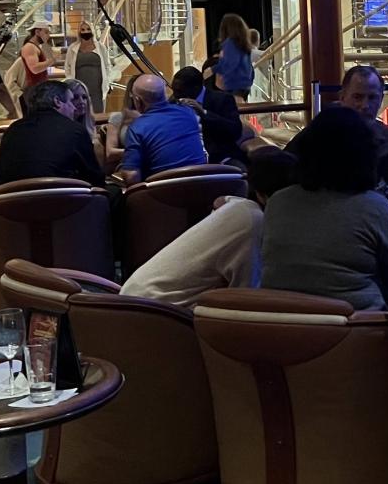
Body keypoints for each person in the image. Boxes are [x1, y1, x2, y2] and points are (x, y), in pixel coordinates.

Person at [121, 147, 298, 307]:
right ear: (263, 195)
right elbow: (247, 298)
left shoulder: (240, 209)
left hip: (141, 297)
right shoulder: (253, 222)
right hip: (153, 309)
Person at [261, 106, 388, 310]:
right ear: (366, 156)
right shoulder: (374, 207)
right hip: (357, 322)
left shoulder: (277, 202)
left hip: (280, 321)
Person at [287, 65, 388, 202]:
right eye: (357, 97)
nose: (365, 105)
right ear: (342, 97)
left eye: (372, 97)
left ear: (381, 99)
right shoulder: (319, 134)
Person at [0, 79, 105, 186]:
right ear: (57, 101)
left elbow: (1, 177)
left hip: (10, 196)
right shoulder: (75, 130)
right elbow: (95, 178)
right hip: (62, 196)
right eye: (71, 101)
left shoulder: (12, 130)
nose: (74, 108)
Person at [116, 73, 206, 184]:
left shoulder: (137, 128)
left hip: (163, 190)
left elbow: (132, 176)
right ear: (165, 94)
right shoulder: (189, 113)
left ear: (137, 100)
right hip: (201, 185)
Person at [171, 66, 244, 164]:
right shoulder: (173, 102)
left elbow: (235, 131)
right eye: (174, 90)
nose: (175, 95)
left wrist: (204, 113)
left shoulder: (222, 100)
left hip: (220, 156)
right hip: (185, 156)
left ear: (196, 88)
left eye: (179, 91)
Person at [64, 25, 108, 115]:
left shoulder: (101, 47)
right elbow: (67, 67)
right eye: (83, 29)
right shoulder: (72, 48)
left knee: (98, 112)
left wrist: (108, 80)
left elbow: (107, 66)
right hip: (79, 86)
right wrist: (70, 81)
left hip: (97, 88)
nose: (85, 32)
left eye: (88, 29)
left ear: (92, 30)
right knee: (80, 110)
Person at [212, 13, 255, 95]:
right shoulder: (243, 45)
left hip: (234, 85)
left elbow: (230, 64)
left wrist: (212, 70)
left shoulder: (230, 44)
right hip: (244, 85)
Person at [20, 24, 54, 89]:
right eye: (46, 32)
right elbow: (35, 69)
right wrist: (52, 60)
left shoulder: (36, 46)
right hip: (35, 89)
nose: (48, 35)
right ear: (37, 32)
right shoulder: (29, 47)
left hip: (39, 88)